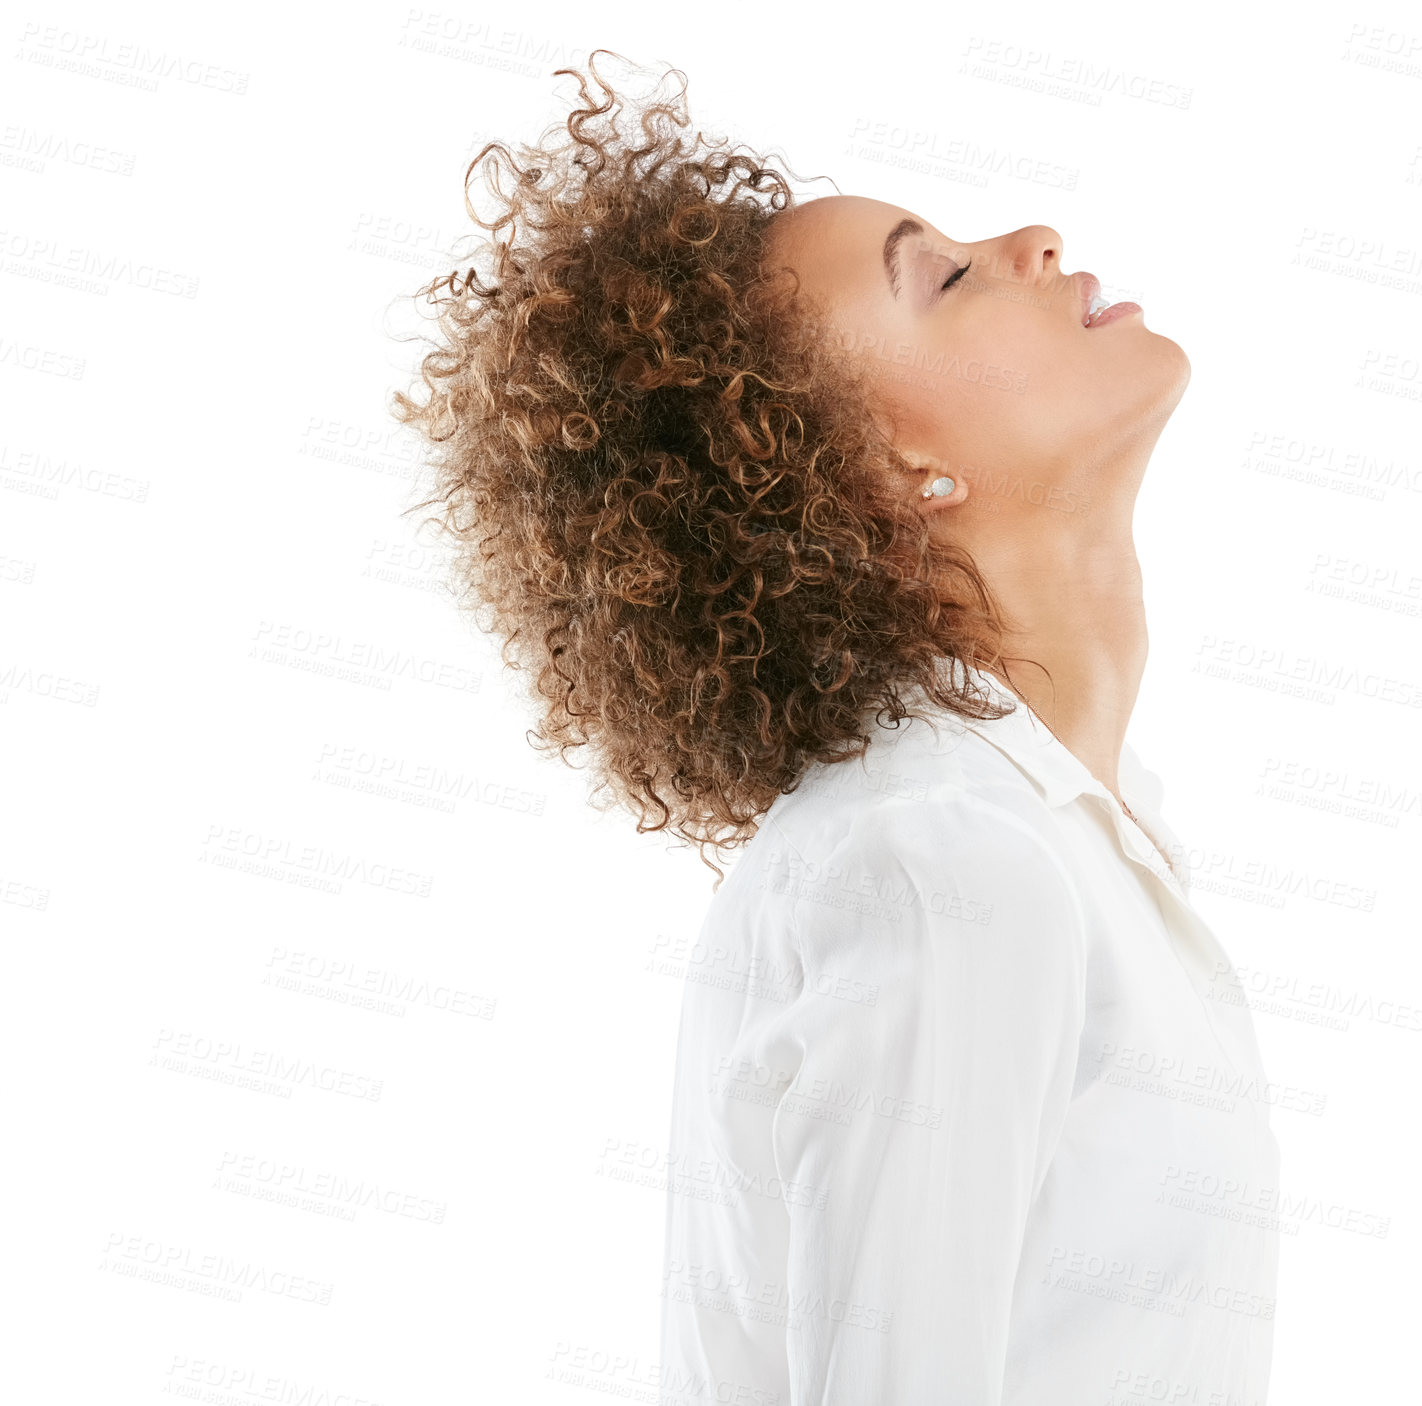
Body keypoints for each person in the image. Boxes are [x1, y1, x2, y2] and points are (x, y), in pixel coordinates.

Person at [392, 52, 1281, 1406]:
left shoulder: (1062, 826)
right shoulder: (944, 858)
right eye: (949, 277)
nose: (1031, 240)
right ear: (887, 474)